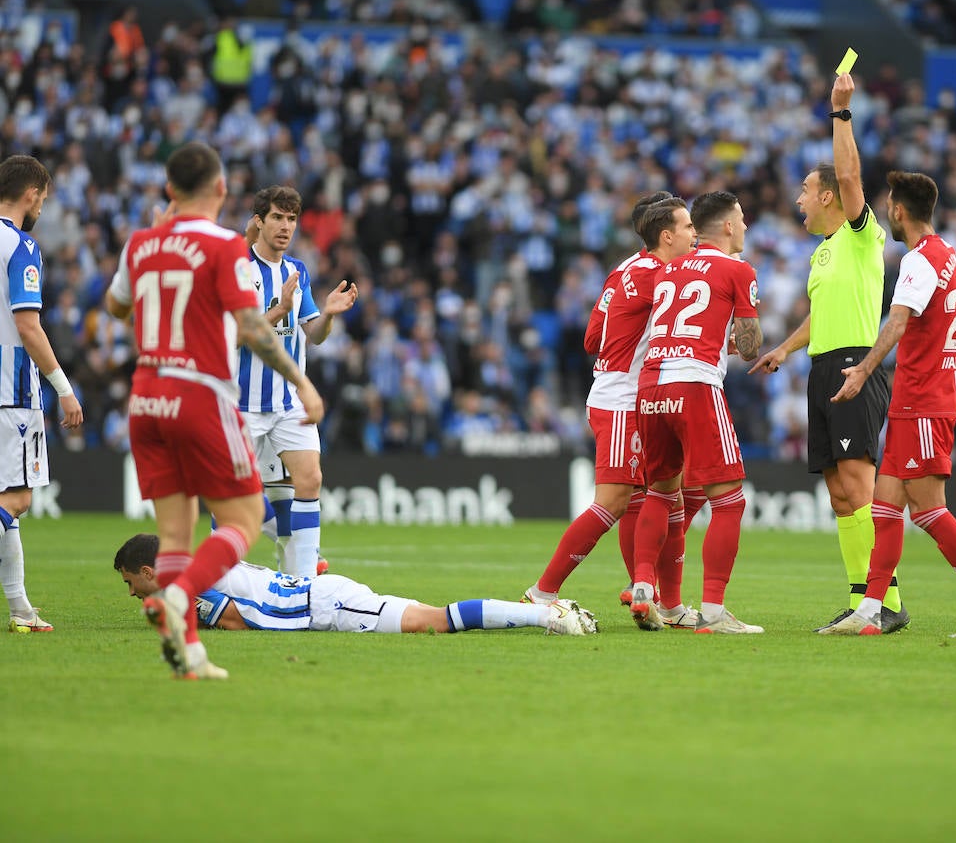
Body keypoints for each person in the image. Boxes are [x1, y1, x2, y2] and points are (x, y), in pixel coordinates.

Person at [104, 141, 325, 679]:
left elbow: (115, 307)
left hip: (145, 398)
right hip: (199, 395)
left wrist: (152, 248)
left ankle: (190, 653)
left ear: (169, 191)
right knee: (246, 518)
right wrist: (302, 382)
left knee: (175, 534)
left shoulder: (142, 243)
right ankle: (179, 600)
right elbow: (252, 326)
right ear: (221, 190)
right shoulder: (226, 248)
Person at [820, 171, 956, 638]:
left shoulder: (918, 262)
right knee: (887, 508)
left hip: (924, 403)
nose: (887, 210)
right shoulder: (948, 256)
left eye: (890, 203)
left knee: (928, 510)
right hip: (915, 402)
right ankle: (871, 609)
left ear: (899, 210)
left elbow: (898, 320)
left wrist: (863, 370)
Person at [749, 73, 907, 633]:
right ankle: (860, 597)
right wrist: (785, 350)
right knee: (840, 493)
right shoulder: (821, 255)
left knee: (861, 485)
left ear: (827, 198)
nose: (797, 200)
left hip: (855, 365)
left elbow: (849, 173)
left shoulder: (862, 236)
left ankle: (885, 602)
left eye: (804, 191)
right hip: (821, 367)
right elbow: (819, 316)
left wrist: (840, 113)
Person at [521, 192, 701, 628]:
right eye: (688, 227)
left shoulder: (624, 269)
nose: (694, 235)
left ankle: (646, 591)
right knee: (613, 501)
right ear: (665, 234)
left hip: (621, 393)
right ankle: (541, 592)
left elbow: (591, 338)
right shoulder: (657, 275)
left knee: (640, 499)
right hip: (622, 400)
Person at [630, 191, 763, 634]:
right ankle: (712, 610)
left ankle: (644, 587)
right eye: (741, 219)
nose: (745, 226)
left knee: (661, 492)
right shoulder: (737, 269)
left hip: (650, 385)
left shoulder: (667, 268)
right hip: (695, 384)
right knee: (729, 499)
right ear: (727, 226)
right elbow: (749, 347)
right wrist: (742, 326)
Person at [114, 533, 597, 635]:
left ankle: (548, 615)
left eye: (131, 582)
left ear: (149, 572)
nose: (131, 592)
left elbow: (237, 621)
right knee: (432, 617)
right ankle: (545, 614)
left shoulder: (190, 586)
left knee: (433, 621)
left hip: (327, 607)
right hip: (322, 600)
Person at [240, 185, 358, 577]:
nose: (285, 226)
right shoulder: (238, 269)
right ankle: (223, 579)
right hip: (241, 403)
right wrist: (278, 311)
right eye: (277, 217)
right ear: (259, 221)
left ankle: (306, 580)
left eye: (291, 219)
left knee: (310, 479)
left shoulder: (297, 270)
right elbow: (235, 334)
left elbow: (313, 334)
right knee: (236, 499)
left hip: (289, 401)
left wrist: (328, 314)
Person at [0, 156, 84, 632]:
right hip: (10, 388)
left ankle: (20, 609)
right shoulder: (21, 244)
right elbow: (28, 325)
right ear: (32, 194)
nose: (42, 208)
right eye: (44, 199)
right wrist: (64, 390)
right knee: (16, 499)